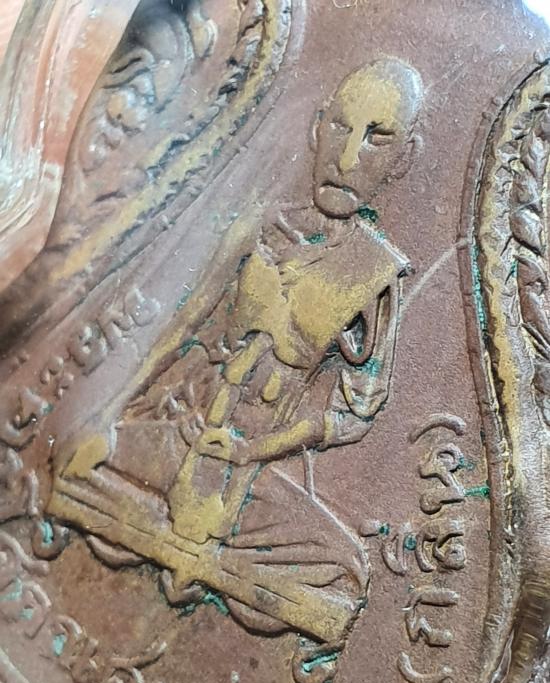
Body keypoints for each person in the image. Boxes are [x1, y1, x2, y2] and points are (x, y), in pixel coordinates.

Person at [52, 58, 423, 651]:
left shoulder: (376, 273)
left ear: (403, 159)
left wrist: (256, 450)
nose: (348, 158)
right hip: (184, 435)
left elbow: (355, 413)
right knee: (84, 455)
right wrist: (106, 413)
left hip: (255, 467)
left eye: (377, 139)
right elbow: (182, 323)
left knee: (346, 577)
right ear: (316, 128)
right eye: (340, 128)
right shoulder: (257, 223)